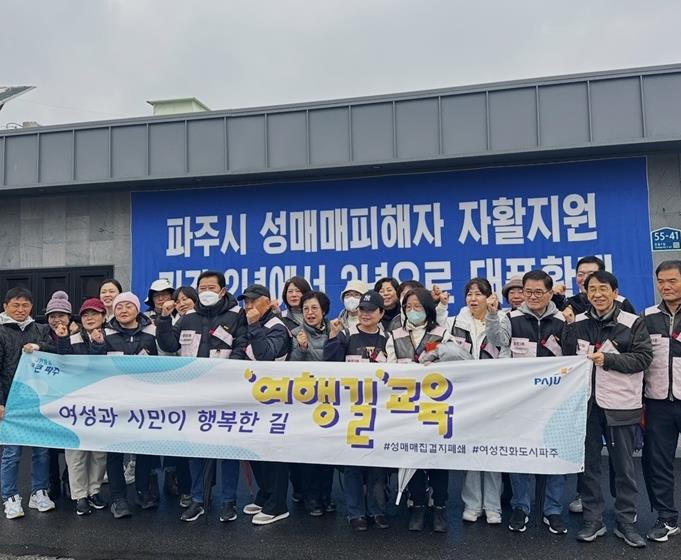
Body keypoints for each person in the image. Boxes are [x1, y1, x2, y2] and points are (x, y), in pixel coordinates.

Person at [562, 270, 652, 548]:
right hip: (586, 406)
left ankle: (627, 521)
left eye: (603, 289)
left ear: (615, 293)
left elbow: (643, 358)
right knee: (589, 466)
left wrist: (609, 360)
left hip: (620, 404)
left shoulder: (632, 322)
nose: (597, 294)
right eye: (592, 289)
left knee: (624, 467)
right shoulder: (577, 323)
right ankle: (593, 519)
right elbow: (566, 360)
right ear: (586, 293)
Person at [157, 271, 247, 523]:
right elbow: (169, 345)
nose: (206, 291)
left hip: (225, 393)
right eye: (202, 287)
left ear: (222, 290)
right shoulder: (188, 317)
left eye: (211, 287)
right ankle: (198, 499)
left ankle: (229, 502)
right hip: (194, 393)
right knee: (195, 448)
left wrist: (226, 370)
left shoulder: (236, 315)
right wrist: (164, 320)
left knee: (228, 449)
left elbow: (242, 344)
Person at [487, 270, 569, 535]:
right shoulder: (511, 317)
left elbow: (573, 354)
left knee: (555, 453)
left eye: (538, 292)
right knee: (519, 453)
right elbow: (497, 341)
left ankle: (552, 509)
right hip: (520, 399)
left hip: (555, 399)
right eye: (528, 292)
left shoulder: (562, 320)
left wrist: (571, 327)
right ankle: (520, 506)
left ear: (550, 293)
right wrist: (492, 315)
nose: (532, 297)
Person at [386, 287, 470, 532]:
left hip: (436, 406)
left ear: (428, 310)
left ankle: (440, 507)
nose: (412, 311)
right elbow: (389, 368)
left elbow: (461, 361)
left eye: (418, 307)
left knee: (437, 458)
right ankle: (418, 506)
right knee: (411, 455)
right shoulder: (395, 335)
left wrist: (437, 356)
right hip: (406, 407)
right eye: (408, 307)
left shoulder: (441, 334)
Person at [324, 290, 390, 532]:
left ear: (381, 313)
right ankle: (355, 512)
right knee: (352, 464)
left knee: (377, 463)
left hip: (380, 410)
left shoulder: (388, 338)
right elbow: (330, 364)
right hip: (351, 409)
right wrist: (333, 337)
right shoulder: (346, 335)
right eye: (362, 310)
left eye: (371, 310)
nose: (365, 314)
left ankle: (377, 511)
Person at [450, 278, 510, 525]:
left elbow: (501, 342)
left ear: (489, 297)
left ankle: (493, 506)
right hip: (467, 394)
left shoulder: (503, 317)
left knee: (493, 450)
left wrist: (493, 316)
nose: (473, 299)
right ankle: (472, 504)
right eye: (469, 294)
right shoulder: (458, 320)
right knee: (472, 450)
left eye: (478, 294)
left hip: (495, 392)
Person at [97, 292, 158, 519]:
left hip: (144, 402)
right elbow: (94, 364)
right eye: (119, 307)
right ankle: (118, 499)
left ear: (137, 309)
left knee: (143, 450)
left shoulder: (151, 332)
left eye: (128, 306)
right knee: (115, 453)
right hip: (114, 403)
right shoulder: (105, 334)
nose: (123, 310)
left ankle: (142, 492)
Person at [237, 283, 293, 526]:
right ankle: (266, 494)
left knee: (274, 452)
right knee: (255, 449)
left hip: (274, 399)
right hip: (252, 397)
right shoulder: (250, 322)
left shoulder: (277, 326)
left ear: (267, 302)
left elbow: (264, 355)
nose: (248, 305)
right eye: (246, 301)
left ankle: (278, 504)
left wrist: (253, 326)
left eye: (253, 301)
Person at [0, 287, 57, 519]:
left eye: (25, 305)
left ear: (31, 307)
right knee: (12, 453)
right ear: (5, 306)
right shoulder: (1, 332)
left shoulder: (40, 329)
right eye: (15, 305)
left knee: (41, 451)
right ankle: (10, 496)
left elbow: (57, 352)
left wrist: (39, 347)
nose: (20, 309)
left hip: (38, 400)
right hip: (11, 401)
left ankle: (38, 492)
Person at [56, 298, 109, 516]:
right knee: (76, 453)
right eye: (85, 314)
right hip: (75, 405)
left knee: (98, 452)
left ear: (103, 316)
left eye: (94, 313)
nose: (89, 317)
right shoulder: (72, 338)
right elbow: (63, 361)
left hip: (102, 405)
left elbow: (101, 367)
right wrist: (62, 339)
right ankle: (79, 496)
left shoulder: (111, 338)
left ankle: (94, 490)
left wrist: (99, 344)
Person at [641, 260, 681, 542]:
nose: (665, 286)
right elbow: (640, 356)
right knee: (659, 463)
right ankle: (666, 518)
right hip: (657, 402)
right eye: (661, 281)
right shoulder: (647, 316)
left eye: (672, 281)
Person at [290, 290, 337, 516]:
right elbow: (290, 368)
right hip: (306, 403)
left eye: (314, 308)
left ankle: (326, 495)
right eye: (306, 309)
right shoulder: (295, 334)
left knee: (328, 452)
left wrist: (335, 339)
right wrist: (301, 349)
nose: (310, 313)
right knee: (308, 452)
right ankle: (311, 497)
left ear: (324, 311)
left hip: (330, 401)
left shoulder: (335, 331)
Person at [44, 290, 74, 500]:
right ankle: (52, 482)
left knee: (72, 442)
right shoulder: (40, 334)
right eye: (52, 316)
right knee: (49, 445)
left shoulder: (79, 334)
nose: (57, 320)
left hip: (71, 396)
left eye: (61, 315)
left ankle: (68, 478)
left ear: (69, 317)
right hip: (48, 396)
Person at [555, 256, 636, 318]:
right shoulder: (571, 303)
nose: (585, 279)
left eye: (590, 274)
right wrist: (555, 298)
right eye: (580, 274)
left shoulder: (620, 302)